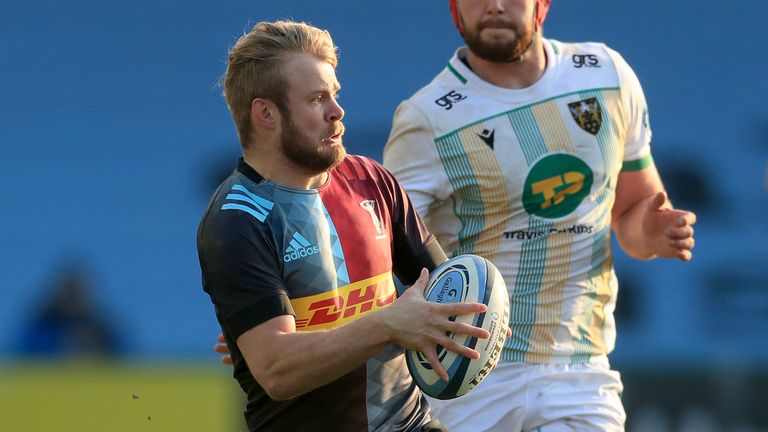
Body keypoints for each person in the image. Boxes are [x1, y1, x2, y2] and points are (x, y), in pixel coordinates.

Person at [381, 0, 697, 431]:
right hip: (469, 373)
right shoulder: (428, 116)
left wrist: (649, 229)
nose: (494, 6)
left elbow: (633, 212)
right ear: (455, 9)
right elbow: (385, 255)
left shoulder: (607, 76)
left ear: (542, 4)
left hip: (581, 370)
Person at [197, 20, 492, 432]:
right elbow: (278, 372)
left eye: (334, 94)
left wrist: (477, 317)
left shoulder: (371, 180)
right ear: (266, 113)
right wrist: (386, 324)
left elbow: (442, 294)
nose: (337, 111)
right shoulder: (236, 220)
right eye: (317, 99)